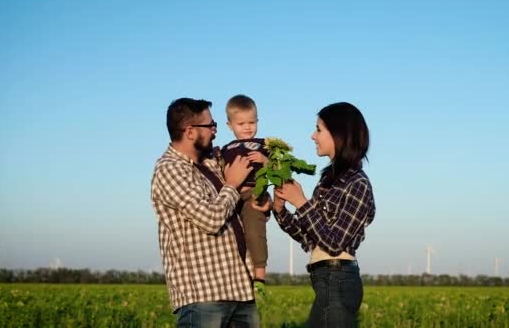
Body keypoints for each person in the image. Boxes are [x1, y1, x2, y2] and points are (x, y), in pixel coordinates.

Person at [151, 97, 259, 327]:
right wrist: (232, 184)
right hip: (204, 295)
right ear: (190, 131)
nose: (215, 132)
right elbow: (210, 219)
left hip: (239, 288)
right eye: (210, 126)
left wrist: (261, 200)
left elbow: (233, 208)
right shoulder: (170, 169)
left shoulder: (210, 163)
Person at [271, 102, 376, 327]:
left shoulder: (358, 183)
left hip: (338, 279)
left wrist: (300, 202)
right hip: (326, 278)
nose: (312, 136)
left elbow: (334, 242)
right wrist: (280, 209)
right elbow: (310, 236)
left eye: (319, 129)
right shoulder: (327, 182)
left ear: (338, 135)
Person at [220, 94, 270, 294]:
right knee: (228, 236)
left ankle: (260, 275)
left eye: (252, 122)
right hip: (231, 195)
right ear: (230, 125)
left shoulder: (264, 144)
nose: (247, 127)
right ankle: (233, 274)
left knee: (255, 232)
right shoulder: (225, 149)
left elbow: (278, 171)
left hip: (252, 195)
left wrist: (265, 160)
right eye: (241, 123)